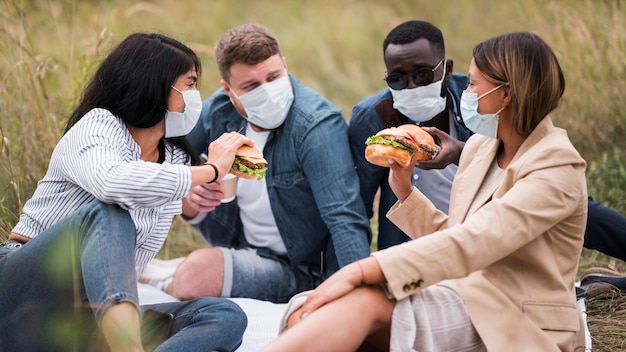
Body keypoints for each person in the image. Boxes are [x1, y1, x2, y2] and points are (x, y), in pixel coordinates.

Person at [262, 31, 588, 351]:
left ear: (507, 94)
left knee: (362, 300)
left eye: (473, 84)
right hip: (461, 288)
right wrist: (403, 191)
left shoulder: (555, 164)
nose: (466, 92)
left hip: (512, 311)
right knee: (311, 309)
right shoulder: (481, 148)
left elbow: (475, 242)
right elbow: (456, 233)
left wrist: (362, 269)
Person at [0, 33, 251, 352]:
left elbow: (137, 245)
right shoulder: (98, 127)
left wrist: (217, 175)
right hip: (22, 288)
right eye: (189, 84)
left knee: (222, 314)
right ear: (155, 85)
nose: (195, 95)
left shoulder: (172, 157)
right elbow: (113, 183)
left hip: (83, 315)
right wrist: (211, 169)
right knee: (109, 213)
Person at [141, 23, 372, 303]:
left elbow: (345, 218)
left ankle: (166, 280)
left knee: (196, 276)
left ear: (285, 66)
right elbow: (159, 159)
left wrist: (352, 296)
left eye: (274, 77)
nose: (267, 91)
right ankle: (178, 268)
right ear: (228, 89)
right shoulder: (219, 110)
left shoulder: (316, 126)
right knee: (183, 187)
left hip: (300, 266)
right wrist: (190, 183)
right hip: (237, 234)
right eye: (251, 86)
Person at [348, 20, 472, 249]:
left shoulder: (474, 100)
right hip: (410, 250)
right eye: (397, 79)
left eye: (422, 75)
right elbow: (355, 209)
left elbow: (512, 168)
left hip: (478, 239)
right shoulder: (374, 116)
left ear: (447, 70)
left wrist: (462, 153)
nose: (412, 87)